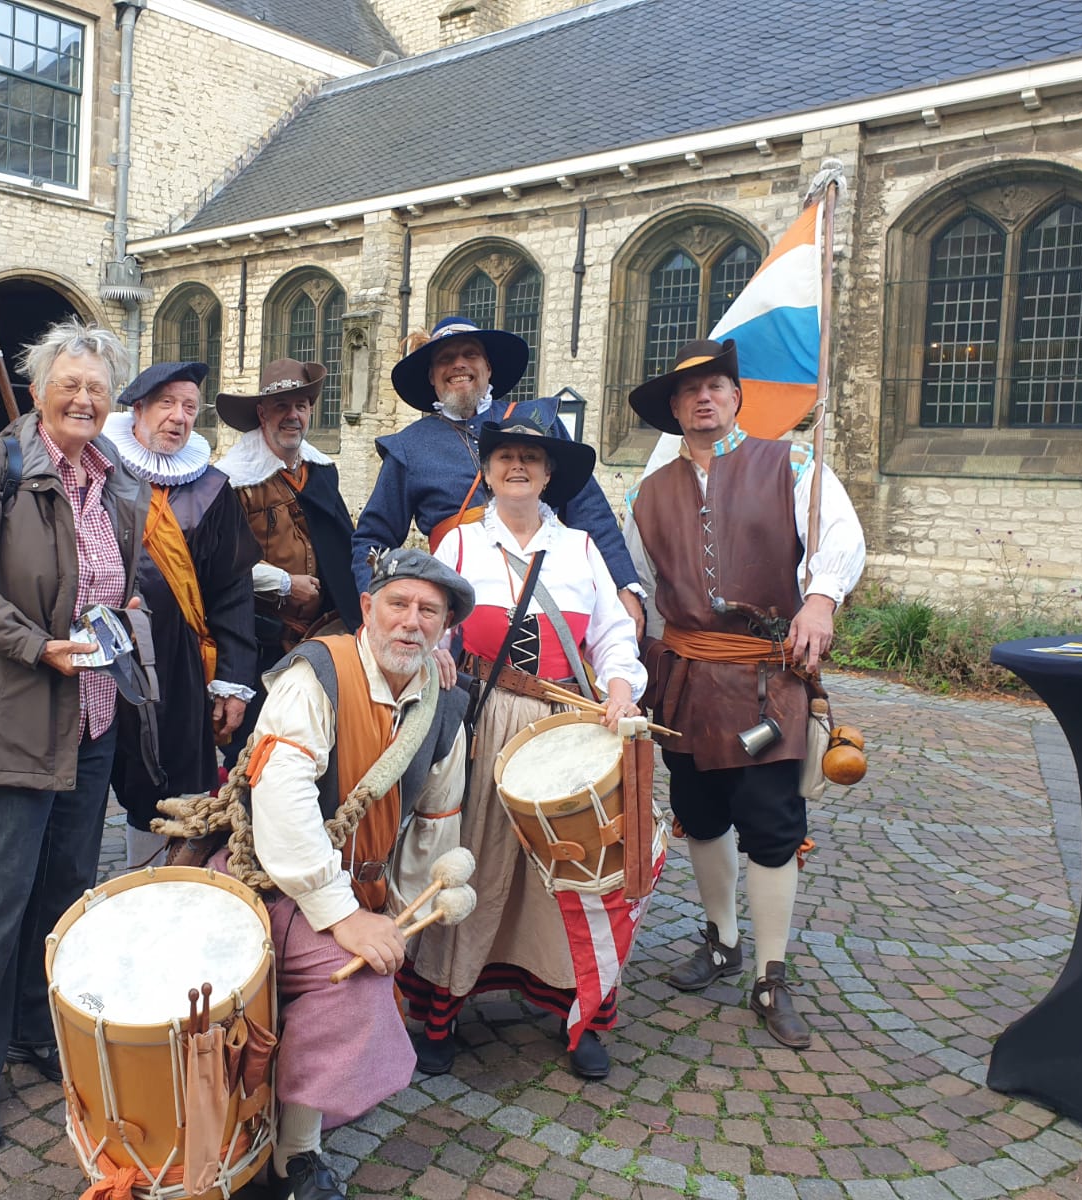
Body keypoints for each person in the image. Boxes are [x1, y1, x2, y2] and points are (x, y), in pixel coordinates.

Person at [0, 319, 150, 1153]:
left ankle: (31, 1032)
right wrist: (36, 645)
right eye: (69, 384)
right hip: (9, 720)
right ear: (42, 388)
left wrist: (126, 617)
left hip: (92, 723)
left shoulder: (116, 482)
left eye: (97, 388)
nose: (84, 399)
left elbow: (117, 579)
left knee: (61, 901)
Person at [166, 548, 471, 1200]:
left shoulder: (446, 710)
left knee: (363, 981)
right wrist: (344, 916)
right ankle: (231, 1133)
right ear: (367, 608)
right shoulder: (315, 676)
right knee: (227, 990)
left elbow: (435, 827)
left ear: (444, 628)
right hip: (265, 878)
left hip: (358, 893)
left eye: (428, 611)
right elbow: (282, 803)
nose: (410, 623)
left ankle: (295, 1152)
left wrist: (398, 925)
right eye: (397, 604)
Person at [623, 338, 865, 1049]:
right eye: (690, 390)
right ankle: (722, 939)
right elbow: (637, 583)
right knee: (699, 814)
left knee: (770, 821)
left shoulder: (791, 463)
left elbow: (840, 538)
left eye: (717, 387)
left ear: (735, 398)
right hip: (687, 676)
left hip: (767, 676)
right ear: (674, 408)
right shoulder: (645, 492)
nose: (704, 398)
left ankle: (770, 972)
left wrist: (819, 601)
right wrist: (631, 645)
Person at [399, 414, 646, 1081]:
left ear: (548, 474)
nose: (518, 467)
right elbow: (425, 617)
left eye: (531, 459)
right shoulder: (456, 545)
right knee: (469, 859)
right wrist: (434, 656)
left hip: (566, 723)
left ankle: (583, 1013)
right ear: (487, 469)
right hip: (483, 718)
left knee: (573, 871)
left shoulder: (582, 548)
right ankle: (443, 1009)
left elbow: (614, 636)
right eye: (506, 456)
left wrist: (621, 687)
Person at [350, 316, 646, 636]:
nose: (459, 365)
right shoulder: (408, 447)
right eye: (445, 359)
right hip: (459, 608)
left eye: (470, 354)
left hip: (555, 590)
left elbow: (590, 510)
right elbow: (373, 539)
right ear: (432, 377)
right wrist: (381, 607)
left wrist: (623, 584)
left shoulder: (537, 423)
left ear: (488, 368)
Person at [101, 363, 260, 868]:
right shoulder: (96, 471)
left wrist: (232, 681)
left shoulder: (212, 489)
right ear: (138, 408)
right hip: (96, 656)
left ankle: (149, 880)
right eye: (167, 403)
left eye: (190, 407)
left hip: (179, 664)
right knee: (88, 775)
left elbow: (232, 591)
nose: (179, 417)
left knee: (171, 787)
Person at [211, 358, 358, 758]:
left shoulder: (322, 471)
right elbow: (219, 564)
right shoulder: (231, 481)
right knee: (257, 749)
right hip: (260, 637)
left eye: (301, 406)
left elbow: (342, 542)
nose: (293, 415)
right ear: (262, 413)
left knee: (313, 743)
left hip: (323, 635)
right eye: (281, 406)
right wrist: (284, 583)